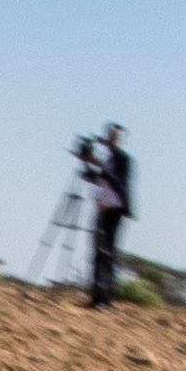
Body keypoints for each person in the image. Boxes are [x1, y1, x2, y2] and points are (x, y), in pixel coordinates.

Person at [77, 124, 133, 306]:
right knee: (97, 253)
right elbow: (102, 180)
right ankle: (96, 296)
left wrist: (98, 164)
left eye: (114, 137)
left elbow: (118, 181)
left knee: (108, 253)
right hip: (102, 208)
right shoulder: (108, 159)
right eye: (109, 136)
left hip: (114, 210)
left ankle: (106, 299)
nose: (110, 140)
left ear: (119, 140)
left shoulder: (123, 159)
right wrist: (88, 169)